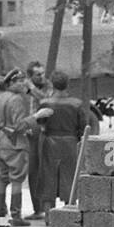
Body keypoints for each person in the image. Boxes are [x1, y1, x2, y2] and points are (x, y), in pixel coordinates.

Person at [34, 71, 93, 209]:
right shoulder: (76, 104)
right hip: (70, 143)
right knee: (70, 176)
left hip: (50, 143)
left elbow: (39, 124)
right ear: (68, 85)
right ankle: (69, 210)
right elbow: (83, 128)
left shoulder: (44, 103)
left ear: (52, 84)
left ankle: (48, 215)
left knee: (48, 177)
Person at [0, 69, 34, 226]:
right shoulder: (16, 100)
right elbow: (19, 125)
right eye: (18, 81)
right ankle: (16, 215)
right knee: (17, 179)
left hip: (1, 142)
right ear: (10, 83)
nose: (22, 83)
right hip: (15, 143)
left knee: (2, 178)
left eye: (23, 80)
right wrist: (34, 119)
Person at [25, 61, 48, 219]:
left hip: (44, 133)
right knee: (32, 171)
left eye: (42, 73)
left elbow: (45, 99)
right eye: (38, 74)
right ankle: (37, 209)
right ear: (30, 76)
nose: (42, 77)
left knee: (44, 171)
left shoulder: (47, 86)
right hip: (28, 133)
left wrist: (31, 88)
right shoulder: (22, 88)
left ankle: (45, 209)